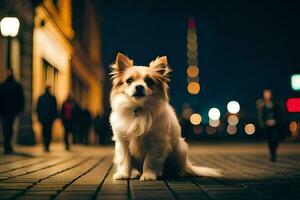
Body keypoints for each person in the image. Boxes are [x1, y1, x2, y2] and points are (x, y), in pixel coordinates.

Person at [0, 69, 25, 154]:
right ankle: (7, 145)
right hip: (6, 111)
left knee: (8, 128)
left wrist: (20, 109)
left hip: (10, 111)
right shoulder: (3, 85)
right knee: (6, 128)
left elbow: (21, 99)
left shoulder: (15, 86)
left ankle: (7, 144)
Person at [259, 89, 281, 162]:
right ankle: (272, 154)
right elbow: (261, 115)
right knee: (270, 140)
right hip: (267, 126)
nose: (267, 96)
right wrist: (264, 123)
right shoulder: (263, 105)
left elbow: (279, 114)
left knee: (275, 139)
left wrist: (276, 121)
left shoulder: (275, 104)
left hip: (275, 125)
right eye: (266, 94)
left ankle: (274, 151)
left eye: (268, 94)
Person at [36, 86, 57, 152]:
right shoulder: (52, 98)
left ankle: (45, 144)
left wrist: (39, 117)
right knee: (48, 131)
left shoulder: (41, 98)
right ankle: (47, 144)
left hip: (44, 118)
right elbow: (55, 109)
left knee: (45, 131)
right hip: (49, 118)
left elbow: (38, 109)